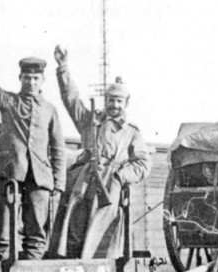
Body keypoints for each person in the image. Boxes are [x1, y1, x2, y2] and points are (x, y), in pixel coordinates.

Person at [48, 45, 151, 259]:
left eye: (118, 101)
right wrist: (63, 68)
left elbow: (143, 164)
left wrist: (120, 176)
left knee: (102, 236)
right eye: (111, 100)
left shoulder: (132, 133)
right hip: (83, 182)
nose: (114, 105)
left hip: (109, 187)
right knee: (73, 231)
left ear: (126, 103)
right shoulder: (90, 121)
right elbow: (71, 99)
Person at [0, 28, 66, 260]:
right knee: (4, 232)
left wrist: (59, 182)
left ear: (42, 80)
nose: (31, 82)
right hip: (8, 174)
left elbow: (58, 148)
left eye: (35, 79)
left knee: (36, 233)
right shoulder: (9, 102)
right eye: (27, 78)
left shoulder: (49, 110)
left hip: (40, 178)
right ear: (20, 78)